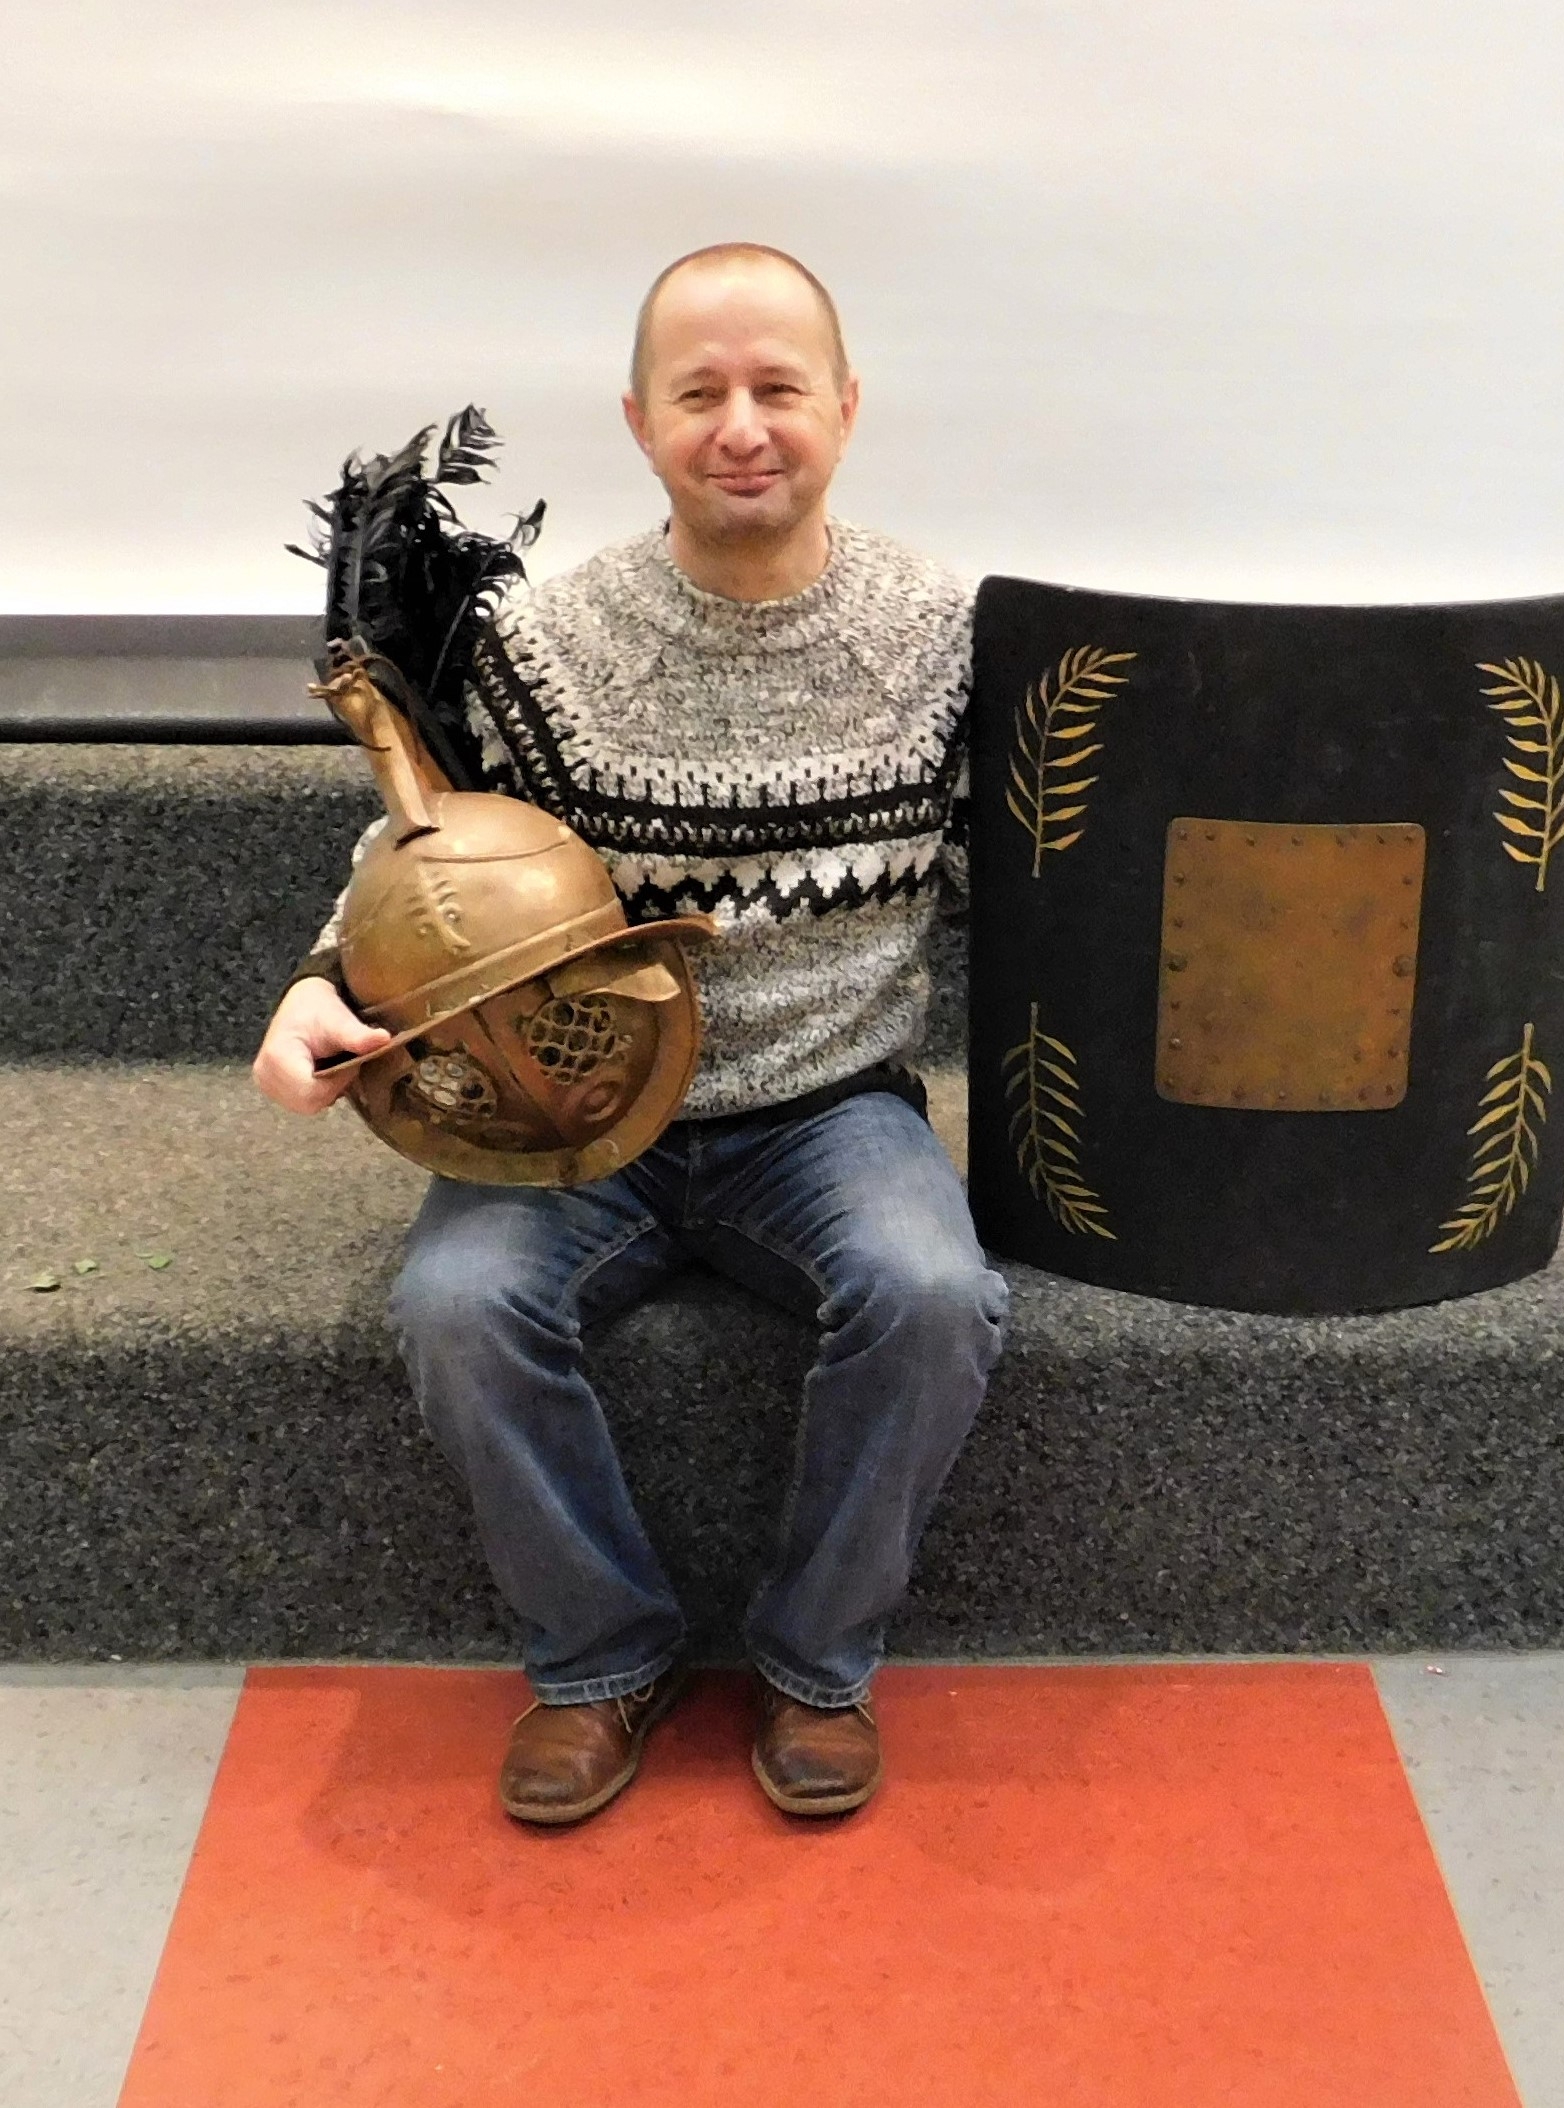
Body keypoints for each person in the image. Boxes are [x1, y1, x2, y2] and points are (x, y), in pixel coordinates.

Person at [253, 242, 1007, 1824]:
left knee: (933, 1292)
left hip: (828, 1106)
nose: (743, 424)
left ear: (847, 409)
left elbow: (1034, 878)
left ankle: (816, 1663)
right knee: (457, 1304)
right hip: (567, 1113)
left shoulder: (951, 638)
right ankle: (601, 1660)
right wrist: (324, 979)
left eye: (779, 388)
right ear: (639, 418)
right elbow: (427, 861)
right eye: (701, 391)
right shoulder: (551, 642)